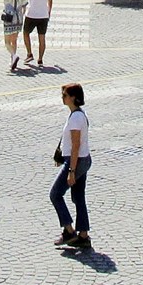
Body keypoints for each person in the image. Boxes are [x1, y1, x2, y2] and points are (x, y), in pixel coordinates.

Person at [50, 83, 93, 251]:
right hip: (82, 160)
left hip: (76, 161)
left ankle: (69, 230)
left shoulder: (76, 118)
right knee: (78, 197)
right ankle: (83, 235)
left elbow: (76, 145)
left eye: (65, 95)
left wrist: (71, 171)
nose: (63, 97)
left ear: (74, 97)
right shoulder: (78, 115)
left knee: (55, 194)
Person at [22, 0, 54, 67]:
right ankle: (40, 58)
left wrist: (22, 10)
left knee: (26, 33)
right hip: (43, 15)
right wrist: (48, 12)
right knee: (42, 37)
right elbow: (50, 1)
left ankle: (29, 53)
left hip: (31, 14)